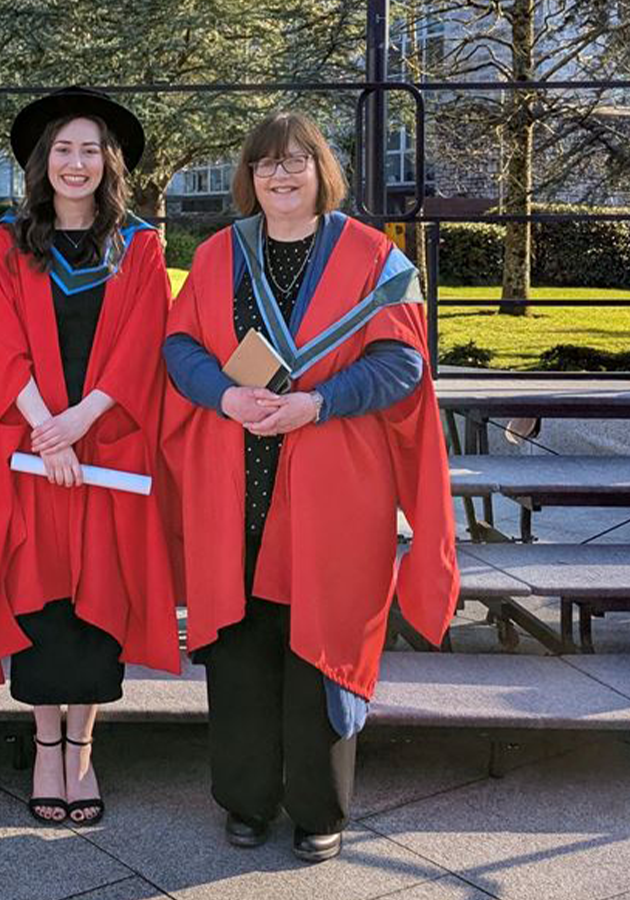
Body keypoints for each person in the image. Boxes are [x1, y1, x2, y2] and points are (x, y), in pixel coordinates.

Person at [159, 111, 458, 862]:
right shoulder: (221, 253)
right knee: (241, 647)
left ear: (323, 171)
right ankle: (246, 800)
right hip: (238, 483)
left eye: (296, 161)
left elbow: (402, 366)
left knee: (317, 647)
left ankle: (318, 808)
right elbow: (180, 344)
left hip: (334, 488)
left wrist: (317, 402)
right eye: (266, 164)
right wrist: (225, 397)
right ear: (249, 177)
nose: (281, 175)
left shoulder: (371, 257)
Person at [0, 87, 178, 827]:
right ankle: (46, 743)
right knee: (44, 596)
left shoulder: (139, 246)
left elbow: (145, 342)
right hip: (32, 452)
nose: (74, 163)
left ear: (109, 163)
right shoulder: (7, 246)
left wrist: (82, 420)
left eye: (89, 150)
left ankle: (82, 747)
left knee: (99, 598)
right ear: (42, 163)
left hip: (108, 447)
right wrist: (48, 429)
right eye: (62, 150)